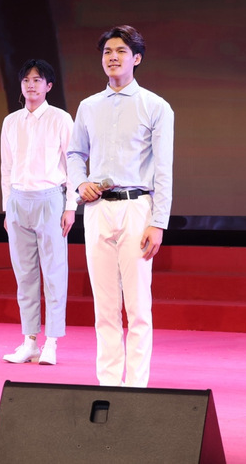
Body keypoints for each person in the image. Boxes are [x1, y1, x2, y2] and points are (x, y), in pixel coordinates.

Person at [67, 25, 174, 387]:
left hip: (136, 208)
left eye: (121, 51)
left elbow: (164, 169)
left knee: (138, 307)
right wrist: (80, 183)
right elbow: (74, 153)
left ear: (137, 58)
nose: (112, 57)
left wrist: (158, 222)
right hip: (98, 210)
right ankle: (110, 386)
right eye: (107, 52)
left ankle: (136, 388)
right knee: (105, 306)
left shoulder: (155, 106)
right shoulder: (88, 106)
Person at [0, 59, 77, 366]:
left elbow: (73, 164)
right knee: (25, 275)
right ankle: (29, 341)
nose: (31, 85)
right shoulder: (11, 122)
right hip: (18, 201)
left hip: (50, 200)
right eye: (26, 80)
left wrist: (70, 206)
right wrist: (6, 207)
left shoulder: (60, 119)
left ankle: (52, 342)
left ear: (49, 86)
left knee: (54, 272)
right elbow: (6, 168)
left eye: (37, 80)